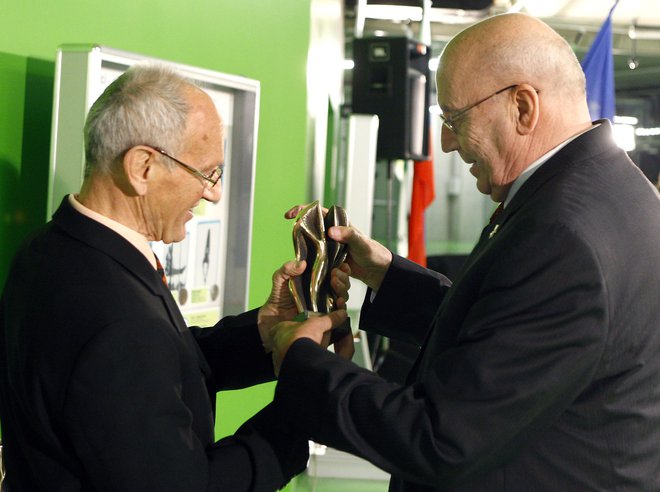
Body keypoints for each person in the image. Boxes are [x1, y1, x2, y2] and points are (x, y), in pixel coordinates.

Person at [270, 13, 660, 492]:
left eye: (455, 118)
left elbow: (440, 439)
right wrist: (387, 276)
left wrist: (301, 358)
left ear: (522, 107)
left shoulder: (560, 234)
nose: (446, 143)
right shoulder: (616, 191)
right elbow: (513, 332)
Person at [0, 64, 348, 491]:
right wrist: (303, 406)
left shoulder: (52, 249)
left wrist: (266, 332)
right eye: (206, 173)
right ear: (142, 167)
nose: (214, 193)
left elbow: (154, 372)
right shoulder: (119, 321)